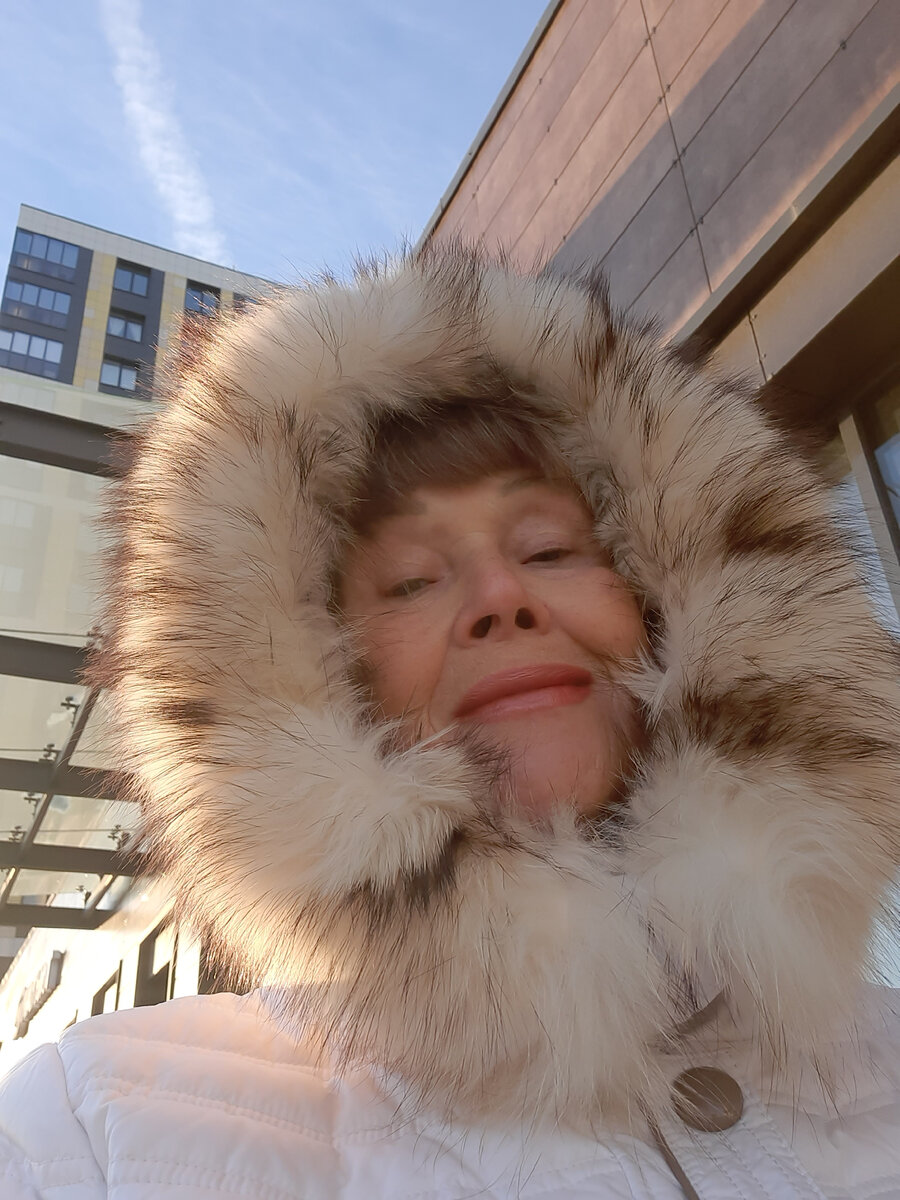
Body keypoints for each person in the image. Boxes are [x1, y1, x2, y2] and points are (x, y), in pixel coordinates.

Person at [1, 246, 899, 1199]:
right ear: (315, 683)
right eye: (411, 582)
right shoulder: (93, 1135)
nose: (503, 596)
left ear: (668, 602)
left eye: (550, 549)